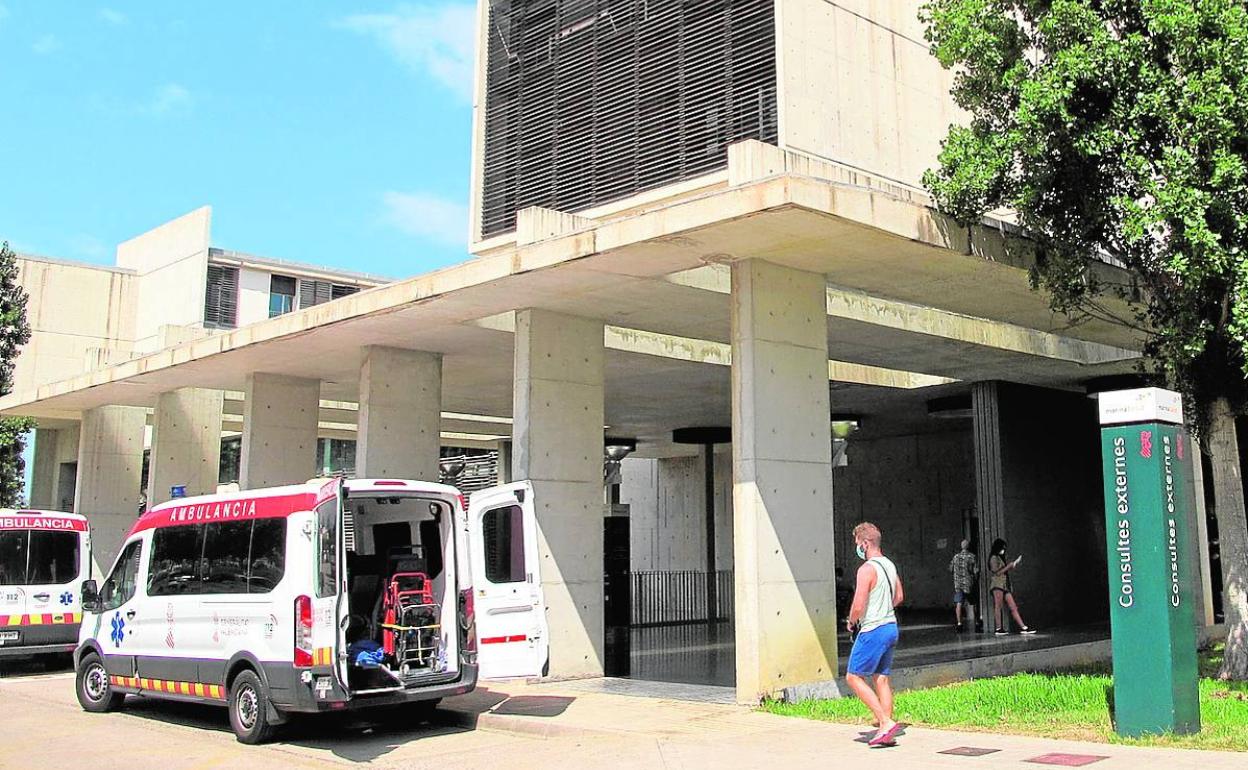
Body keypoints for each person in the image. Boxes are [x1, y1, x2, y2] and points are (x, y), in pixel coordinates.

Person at [845, 521, 905, 748]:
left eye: (857, 543)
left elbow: (858, 604)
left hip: (873, 629)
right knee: (881, 677)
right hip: (891, 626)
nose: (857, 547)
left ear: (866, 543)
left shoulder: (866, 569)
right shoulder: (890, 565)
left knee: (853, 676)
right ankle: (885, 727)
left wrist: (852, 621)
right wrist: (884, 607)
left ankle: (885, 722)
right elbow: (899, 596)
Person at [988, 538, 1036, 635]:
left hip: (1004, 585)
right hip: (997, 584)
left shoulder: (999, 557)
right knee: (998, 606)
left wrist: (1012, 565)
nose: (1004, 550)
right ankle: (998, 628)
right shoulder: (994, 558)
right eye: (1003, 548)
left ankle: (1023, 627)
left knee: (1013, 606)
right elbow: (997, 572)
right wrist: (1009, 566)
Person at [948, 539, 977, 632]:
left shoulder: (955, 557)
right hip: (969, 584)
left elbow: (950, 569)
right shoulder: (972, 557)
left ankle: (959, 624)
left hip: (958, 585)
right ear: (968, 546)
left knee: (959, 604)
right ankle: (977, 623)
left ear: (961, 546)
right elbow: (975, 570)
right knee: (973, 604)